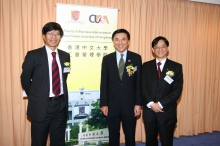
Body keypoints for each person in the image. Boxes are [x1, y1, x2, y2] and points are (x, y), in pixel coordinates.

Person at [21, 22, 71, 146]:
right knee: (38, 141)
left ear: (60, 37)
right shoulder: (33, 55)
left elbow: (64, 76)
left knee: (59, 141)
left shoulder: (65, 56)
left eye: (57, 33)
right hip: (41, 106)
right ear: (44, 36)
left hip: (60, 105)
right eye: (50, 33)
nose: (53, 36)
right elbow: (25, 79)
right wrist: (35, 96)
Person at [100, 29, 142, 146]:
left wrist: (138, 103)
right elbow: (104, 83)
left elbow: (139, 83)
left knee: (130, 134)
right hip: (112, 104)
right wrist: (104, 104)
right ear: (113, 42)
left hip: (130, 104)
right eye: (117, 39)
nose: (120, 42)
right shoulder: (107, 59)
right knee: (113, 134)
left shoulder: (136, 58)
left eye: (123, 39)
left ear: (128, 41)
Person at [141, 36, 183, 146]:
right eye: (156, 47)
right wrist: (151, 104)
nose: (160, 49)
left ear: (167, 48)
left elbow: (177, 90)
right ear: (152, 50)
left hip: (166, 112)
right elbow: (142, 87)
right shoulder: (145, 66)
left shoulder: (176, 67)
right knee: (150, 141)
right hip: (149, 111)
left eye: (162, 46)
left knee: (167, 141)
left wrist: (160, 104)